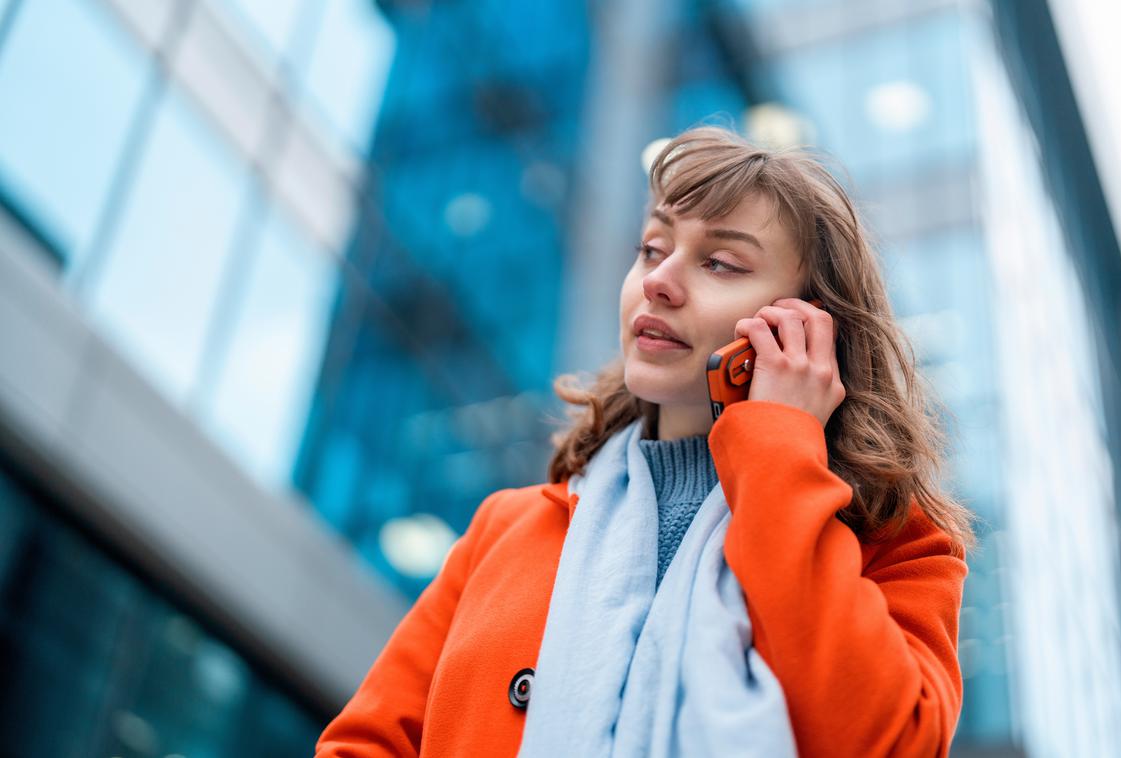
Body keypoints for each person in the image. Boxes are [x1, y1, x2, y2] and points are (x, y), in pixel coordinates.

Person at [314, 123, 978, 758]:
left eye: (720, 263)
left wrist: (780, 447)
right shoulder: (506, 530)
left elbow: (885, 744)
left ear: (810, 329)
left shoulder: (895, 548)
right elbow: (365, 746)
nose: (658, 282)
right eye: (652, 250)